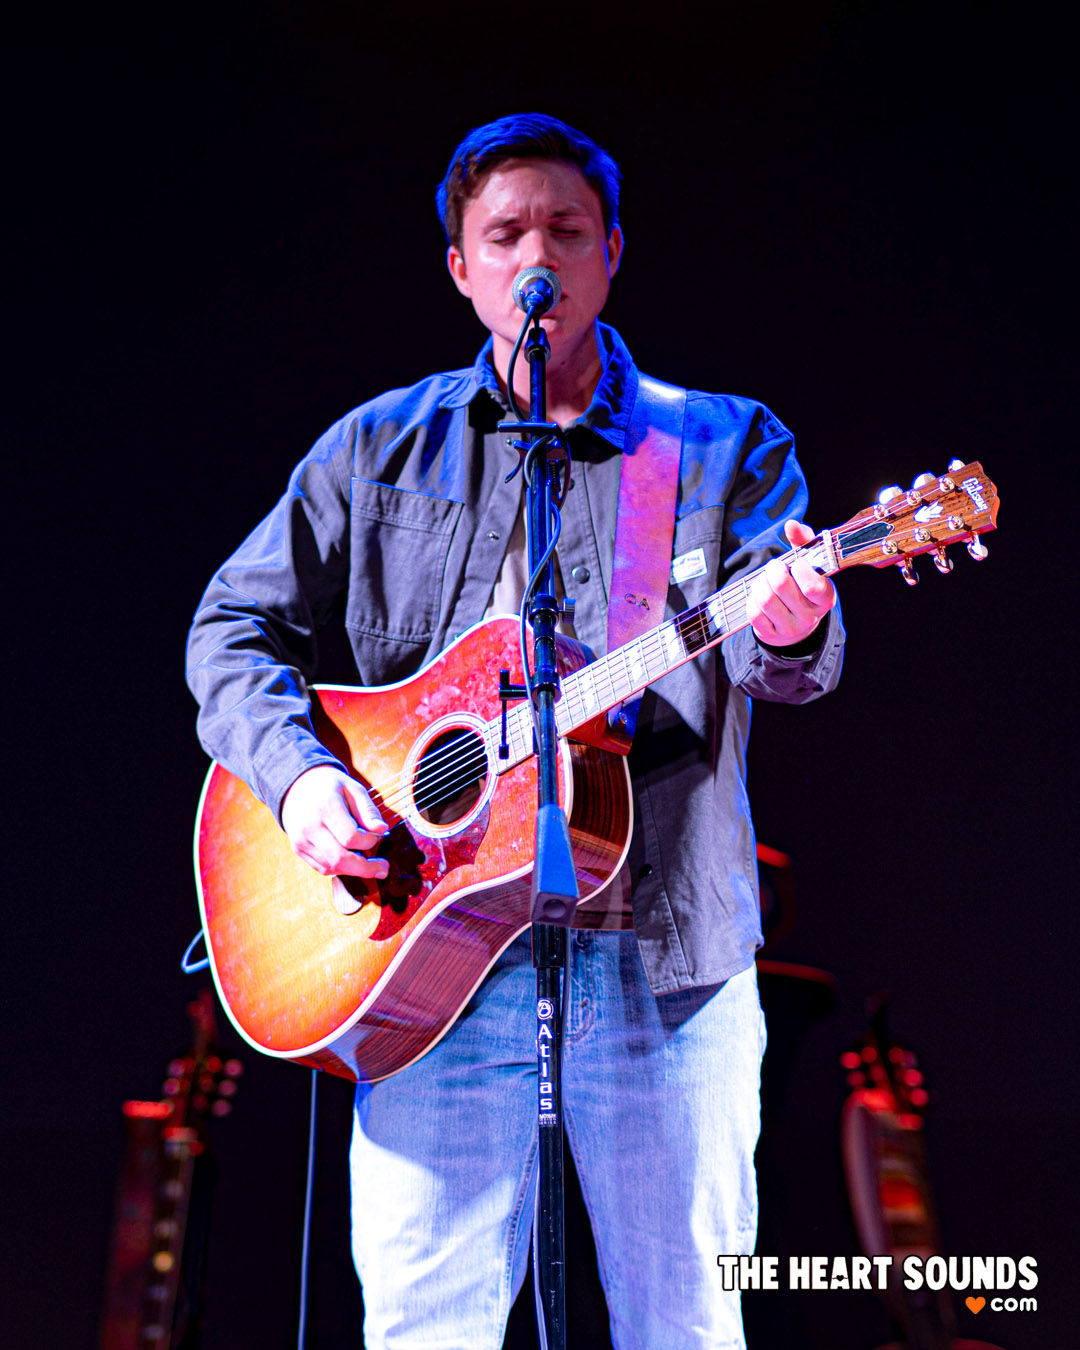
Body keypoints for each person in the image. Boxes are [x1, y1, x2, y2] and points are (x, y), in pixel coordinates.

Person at [187, 113, 845, 1350]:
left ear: (611, 252)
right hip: (430, 961)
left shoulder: (721, 444)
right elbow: (231, 628)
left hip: (666, 963)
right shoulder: (378, 448)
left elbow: (781, 662)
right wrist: (301, 781)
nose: (536, 255)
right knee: (424, 1331)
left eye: (565, 230)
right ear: (461, 267)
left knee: (690, 1328)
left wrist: (797, 617)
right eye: (505, 235)